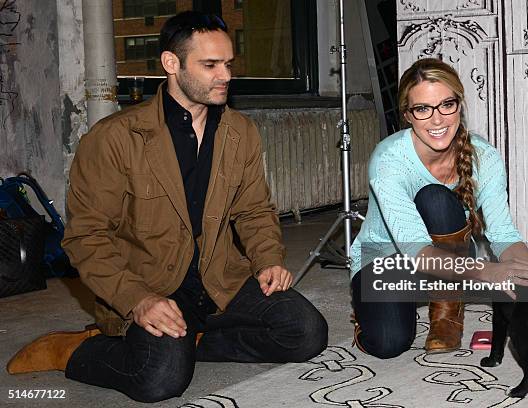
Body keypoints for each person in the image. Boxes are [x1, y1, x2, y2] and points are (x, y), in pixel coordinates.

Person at [6, 11, 327, 402]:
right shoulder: (114, 139)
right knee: (159, 381)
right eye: (210, 65)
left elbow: (254, 210)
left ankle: (191, 343)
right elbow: (86, 237)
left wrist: (268, 259)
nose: (224, 75)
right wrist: (137, 300)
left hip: (217, 277)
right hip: (151, 284)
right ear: (171, 64)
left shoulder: (240, 132)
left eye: (228, 64)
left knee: (305, 331)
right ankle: (74, 350)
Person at [349, 58, 528, 358]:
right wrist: (487, 272)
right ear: (407, 114)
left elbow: (503, 232)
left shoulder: (485, 157)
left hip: (449, 261)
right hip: (387, 259)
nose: (437, 119)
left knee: (437, 199)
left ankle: (446, 311)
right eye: (423, 109)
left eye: (447, 104)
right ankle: (368, 312)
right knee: (389, 343)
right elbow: (417, 252)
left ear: (459, 104)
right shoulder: (388, 160)